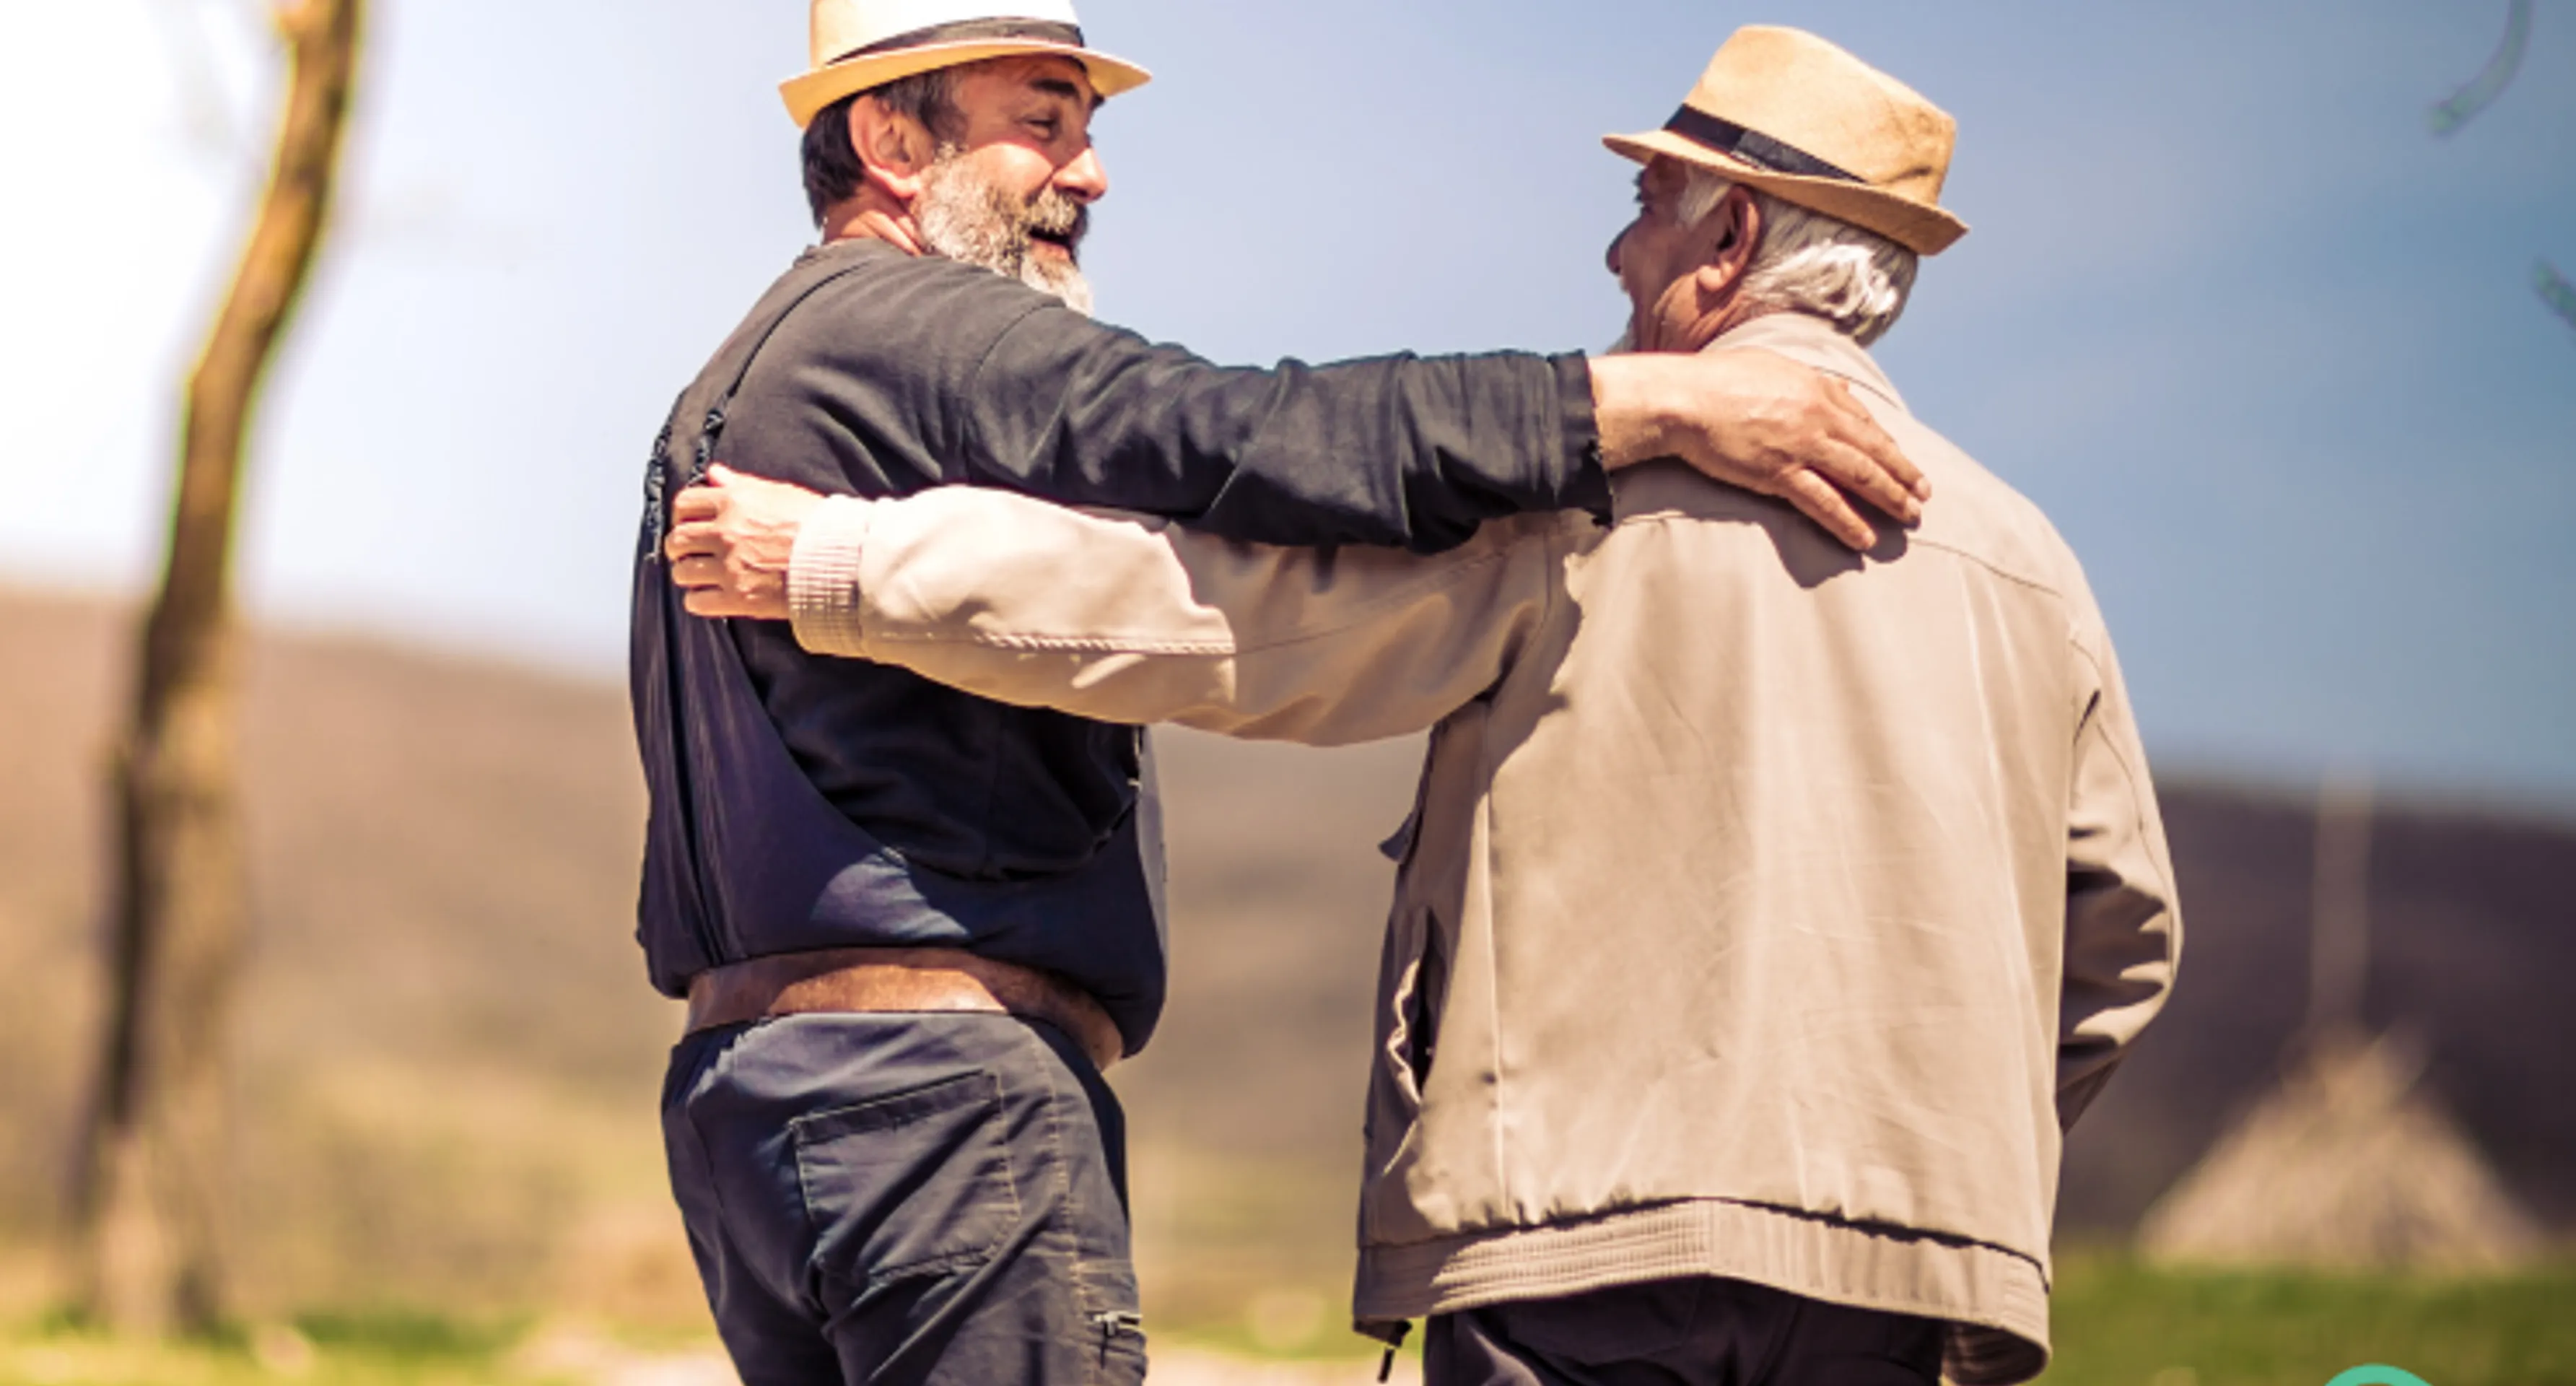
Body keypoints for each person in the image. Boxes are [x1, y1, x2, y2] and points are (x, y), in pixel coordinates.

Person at [668, 25, 2183, 1386]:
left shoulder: (1586, 511)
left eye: (1649, 207)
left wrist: (843, 563)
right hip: (1914, 1274)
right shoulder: (2036, 570)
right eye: (1048, 119)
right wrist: (1936, 1142)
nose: (1615, 255)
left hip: (1584, 1239)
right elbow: (2122, 940)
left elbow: (1232, 620)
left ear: (1727, 238)